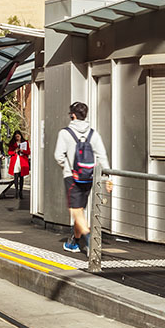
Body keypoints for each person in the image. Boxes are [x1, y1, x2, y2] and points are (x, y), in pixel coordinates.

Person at [54, 101, 109, 253]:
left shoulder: (65, 133)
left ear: (72, 115)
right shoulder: (93, 134)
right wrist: (108, 178)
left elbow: (58, 156)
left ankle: (90, 240)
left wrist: (67, 168)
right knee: (80, 210)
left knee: (76, 211)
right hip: (88, 177)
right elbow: (102, 156)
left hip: (72, 177)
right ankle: (74, 243)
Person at [7, 131, 30, 198]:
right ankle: (16, 191)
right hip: (15, 160)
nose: (17, 138)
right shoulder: (12, 143)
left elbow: (28, 151)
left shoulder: (25, 142)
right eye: (16, 137)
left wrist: (23, 151)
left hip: (22, 160)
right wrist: (15, 151)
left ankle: (21, 191)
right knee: (16, 176)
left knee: (21, 176)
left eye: (18, 136)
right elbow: (9, 152)